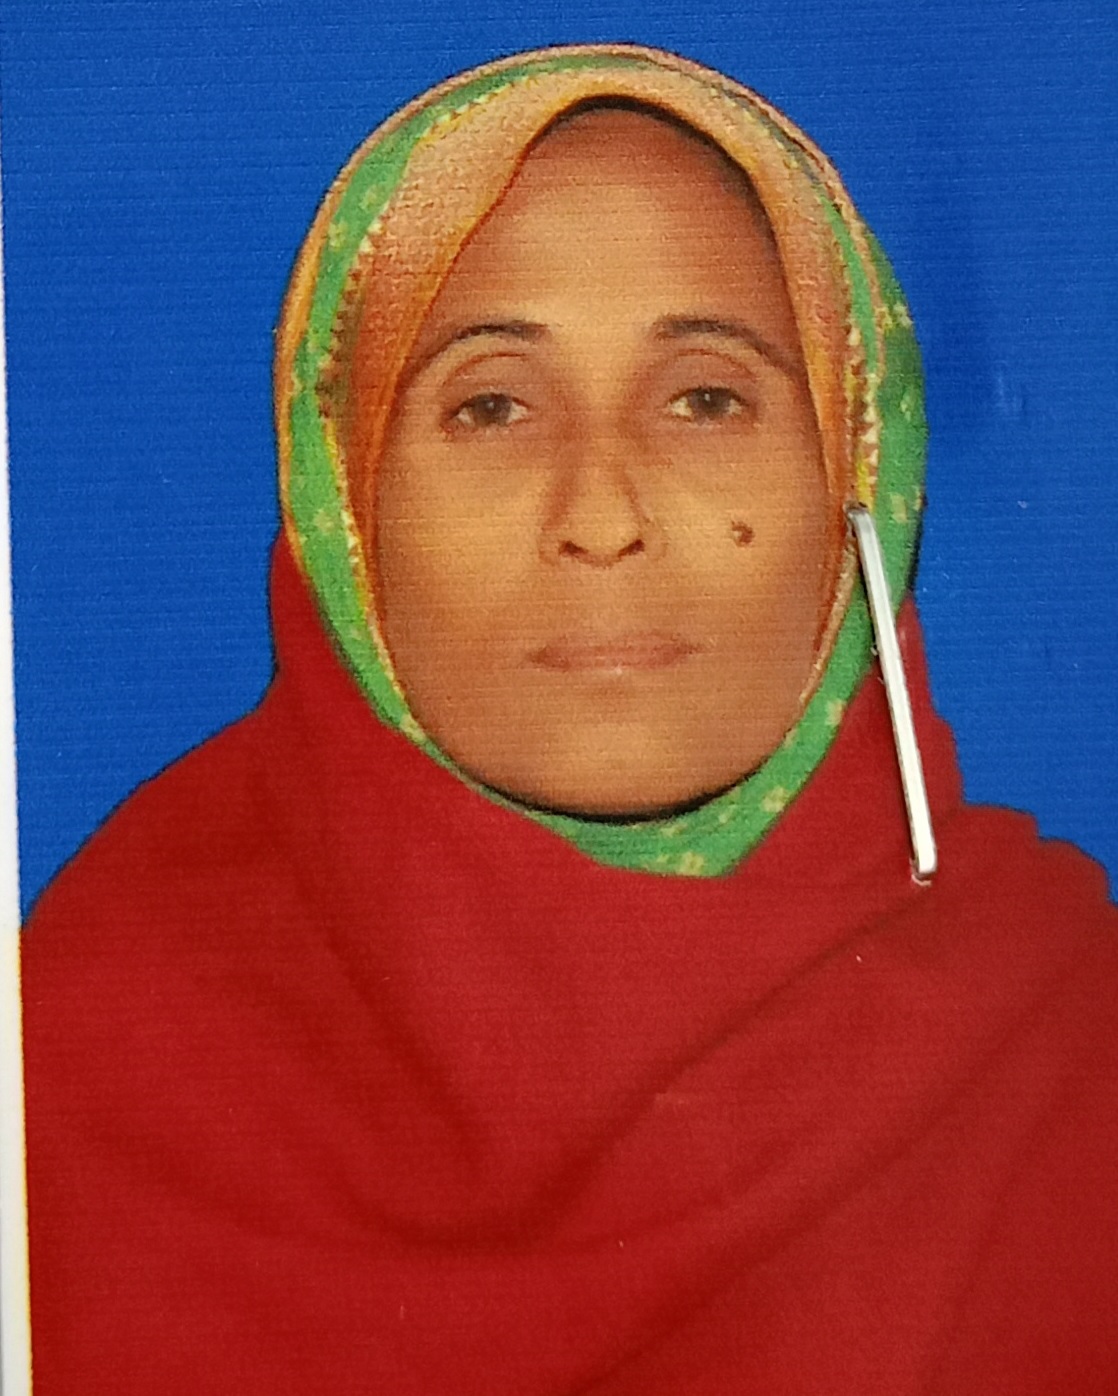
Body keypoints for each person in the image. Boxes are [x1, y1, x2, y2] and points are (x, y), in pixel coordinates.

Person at [20, 43, 1118, 1395]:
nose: (601, 517)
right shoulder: (79, 1054)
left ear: (859, 475)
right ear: (345, 503)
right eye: (490, 406)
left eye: (706, 398)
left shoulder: (1068, 1035)